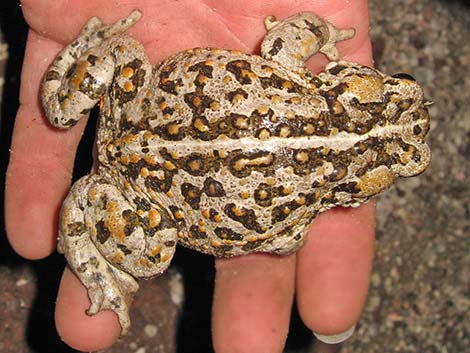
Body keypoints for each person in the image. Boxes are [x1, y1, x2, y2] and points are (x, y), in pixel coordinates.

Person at [5, 1, 375, 352]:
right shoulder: (303, 206)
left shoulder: (300, 84)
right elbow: (284, 240)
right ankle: (81, 218)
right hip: (140, 161)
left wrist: (321, 31)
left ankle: (83, 204)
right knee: (151, 256)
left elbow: (286, 38)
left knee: (117, 59)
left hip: (136, 130)